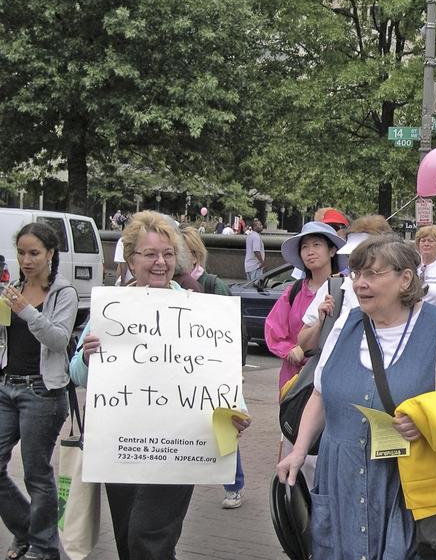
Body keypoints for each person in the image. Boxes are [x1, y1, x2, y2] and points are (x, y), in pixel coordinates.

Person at [277, 234, 436, 559]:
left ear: (405, 278)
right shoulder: (345, 325)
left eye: (372, 274)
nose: (360, 283)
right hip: (342, 482)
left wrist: (431, 424)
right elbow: (320, 393)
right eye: (356, 274)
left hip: (411, 485)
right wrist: (300, 451)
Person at [68, 211, 250, 560]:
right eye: (150, 254)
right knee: (129, 541)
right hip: (121, 446)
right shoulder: (111, 308)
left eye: (167, 253)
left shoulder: (198, 310)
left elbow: (218, 372)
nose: (160, 262)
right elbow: (77, 375)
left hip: (178, 444)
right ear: (131, 258)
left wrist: (237, 411)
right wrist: (89, 357)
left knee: (146, 537)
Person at [0, 223, 78, 560]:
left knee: (37, 474)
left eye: (34, 253)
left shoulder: (64, 293)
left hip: (42, 392)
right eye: (21, 253)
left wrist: (25, 310)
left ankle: (44, 548)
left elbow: (59, 340)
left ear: (50, 254)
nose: (27, 260)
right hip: (7, 387)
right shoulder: (13, 289)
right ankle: (27, 531)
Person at [179, 225, 246, 510]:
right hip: (179, 369)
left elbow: (234, 331)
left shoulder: (213, 285)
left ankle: (234, 484)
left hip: (211, 369)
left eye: (180, 252)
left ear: (195, 255)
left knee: (223, 427)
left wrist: (233, 370)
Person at [297, 215, 392, 354]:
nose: (356, 261)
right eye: (351, 255)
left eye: (364, 256)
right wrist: (322, 323)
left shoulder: (397, 290)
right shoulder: (335, 288)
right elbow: (304, 343)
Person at [268, 222, 345, 391]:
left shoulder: (345, 290)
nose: (310, 252)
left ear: (332, 251)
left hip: (331, 376)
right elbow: (274, 328)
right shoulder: (293, 291)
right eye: (304, 247)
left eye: (317, 245)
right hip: (295, 378)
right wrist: (290, 350)